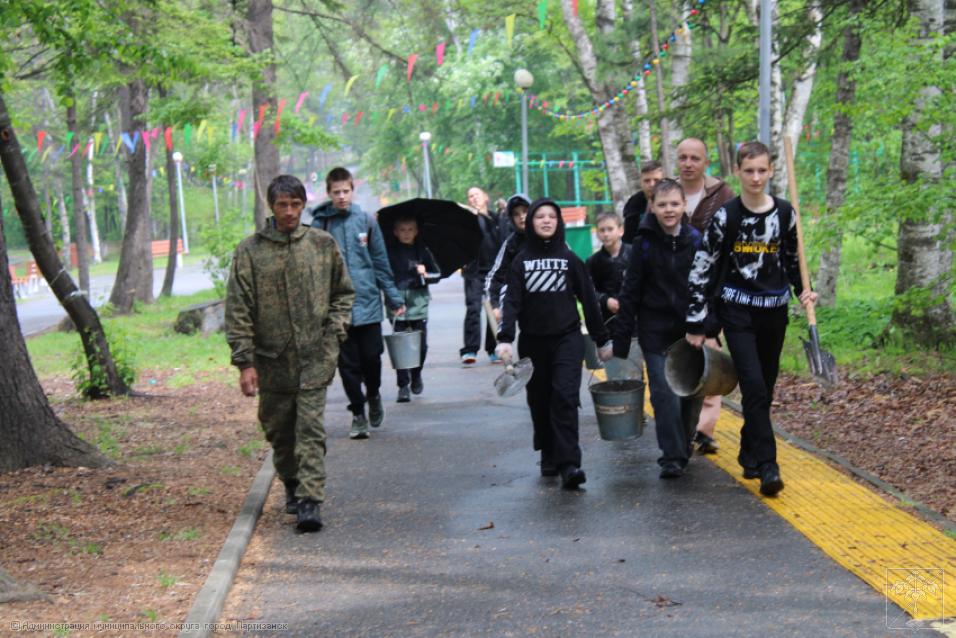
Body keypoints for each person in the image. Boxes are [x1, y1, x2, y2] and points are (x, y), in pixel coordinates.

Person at [684, 141, 818, 497]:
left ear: (771, 171)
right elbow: (701, 268)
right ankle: (769, 465)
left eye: (762, 170)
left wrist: (805, 290)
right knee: (754, 386)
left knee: (764, 389)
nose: (756, 177)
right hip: (737, 310)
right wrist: (696, 321)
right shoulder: (726, 217)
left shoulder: (785, 213)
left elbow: (793, 261)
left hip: (774, 311)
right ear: (738, 172)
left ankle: (748, 452)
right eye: (749, 171)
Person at [225, 175, 355, 533]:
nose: (289, 212)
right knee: (280, 432)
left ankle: (311, 499)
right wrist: (245, 362)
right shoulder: (250, 251)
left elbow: (343, 294)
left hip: (315, 357)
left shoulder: (321, 245)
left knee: (309, 429)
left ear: (303, 205)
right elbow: (238, 309)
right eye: (282, 205)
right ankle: (293, 484)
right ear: (272, 207)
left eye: (295, 204)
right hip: (272, 362)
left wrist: (334, 334)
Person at [496, 198, 611, 490]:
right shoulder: (521, 261)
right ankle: (548, 451)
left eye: (551, 216)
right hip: (533, 342)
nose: (546, 221)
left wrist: (601, 338)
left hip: (567, 339)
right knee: (540, 399)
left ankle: (569, 464)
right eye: (540, 217)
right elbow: (512, 301)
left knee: (564, 397)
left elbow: (588, 299)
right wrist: (505, 338)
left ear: (558, 222)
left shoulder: (570, 259)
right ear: (530, 223)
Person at [604, 179, 706, 478]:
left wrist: (707, 327)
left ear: (684, 205)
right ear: (653, 207)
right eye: (662, 205)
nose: (669, 210)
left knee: (689, 393)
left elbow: (706, 286)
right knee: (664, 393)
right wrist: (620, 341)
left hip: (690, 332)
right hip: (655, 332)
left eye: (674, 204)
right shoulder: (644, 243)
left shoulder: (696, 240)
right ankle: (671, 456)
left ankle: (684, 443)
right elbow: (630, 292)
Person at [310, 167, 405, 440]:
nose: (341, 196)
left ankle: (373, 395)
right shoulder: (320, 225)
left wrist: (394, 297)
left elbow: (380, 263)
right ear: (329, 193)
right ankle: (358, 413)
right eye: (336, 192)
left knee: (372, 359)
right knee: (348, 365)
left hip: (368, 303)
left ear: (353, 190)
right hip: (337, 309)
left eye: (345, 191)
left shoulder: (366, 221)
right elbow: (313, 269)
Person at [676, 138, 736, 455]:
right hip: (673, 294)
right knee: (679, 365)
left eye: (695, 158)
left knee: (709, 360)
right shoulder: (666, 192)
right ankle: (680, 431)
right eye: (683, 157)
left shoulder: (722, 196)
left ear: (705, 162)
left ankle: (704, 430)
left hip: (712, 293)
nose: (688, 163)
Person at [385, 215, 441, 403]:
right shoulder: (389, 252)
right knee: (400, 346)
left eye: (410, 229)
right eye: (402, 230)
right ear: (395, 232)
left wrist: (426, 273)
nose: (406, 233)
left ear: (416, 231)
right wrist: (393, 300)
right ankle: (403, 385)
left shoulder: (423, 251)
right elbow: (384, 277)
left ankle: (416, 374)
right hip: (396, 305)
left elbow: (437, 274)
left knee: (421, 346)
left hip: (418, 304)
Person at [460, 186, 509, 366]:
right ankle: (470, 350)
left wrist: (505, 212)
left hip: (494, 271)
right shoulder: (467, 220)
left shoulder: (497, 218)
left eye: (476, 195)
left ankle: (493, 348)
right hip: (474, 272)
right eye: (470, 196)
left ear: (486, 198)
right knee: (473, 309)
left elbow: (505, 238)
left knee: (494, 311)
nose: (473, 198)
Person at [485, 193, 531, 320]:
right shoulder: (511, 244)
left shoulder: (550, 238)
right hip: (525, 312)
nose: (521, 216)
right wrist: (494, 305)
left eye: (525, 211)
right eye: (516, 214)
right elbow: (495, 276)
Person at [586, 211, 630, 323]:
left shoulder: (634, 254)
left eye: (610, 229)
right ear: (597, 233)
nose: (606, 234)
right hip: (607, 319)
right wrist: (605, 300)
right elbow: (588, 289)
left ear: (621, 230)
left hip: (635, 316)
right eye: (602, 230)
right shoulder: (593, 261)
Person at [622, 160, 665, 245]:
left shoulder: (674, 201)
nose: (652, 184)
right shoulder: (633, 205)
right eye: (647, 181)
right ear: (641, 183)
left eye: (656, 180)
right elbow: (628, 239)